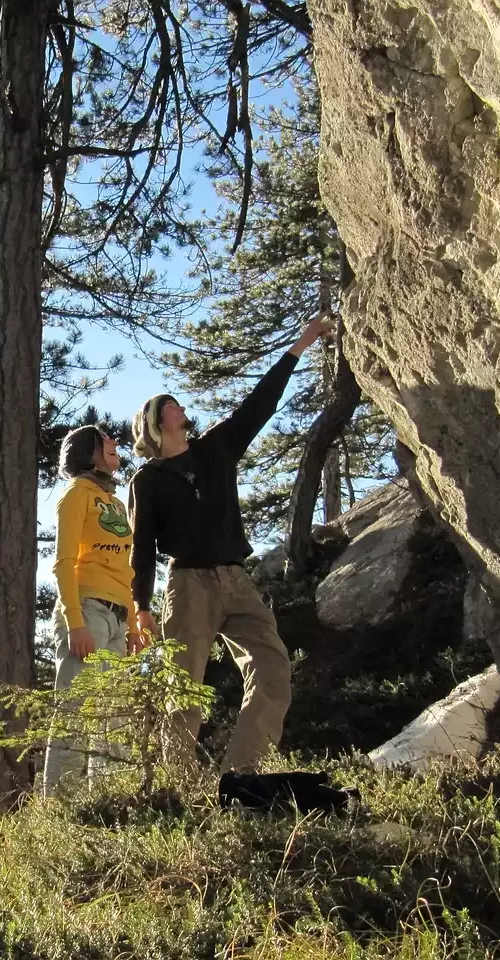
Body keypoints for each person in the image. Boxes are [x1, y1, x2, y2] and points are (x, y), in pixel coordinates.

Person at [127, 315, 332, 772]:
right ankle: (174, 782)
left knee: (274, 667)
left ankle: (241, 774)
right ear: (157, 423)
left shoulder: (216, 448)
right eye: (172, 405)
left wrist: (302, 342)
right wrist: (140, 606)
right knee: (183, 688)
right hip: (188, 585)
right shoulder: (149, 480)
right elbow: (141, 547)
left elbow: (261, 403)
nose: (181, 408)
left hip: (236, 579)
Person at [44, 425, 147, 792]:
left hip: (118, 617)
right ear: (89, 451)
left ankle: (108, 807)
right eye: (106, 440)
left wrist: (133, 627)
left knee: (113, 719)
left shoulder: (116, 503)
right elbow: (63, 562)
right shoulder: (76, 494)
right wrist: (75, 623)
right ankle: (59, 815)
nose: (114, 443)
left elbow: (126, 571)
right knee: (75, 714)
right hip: (86, 610)